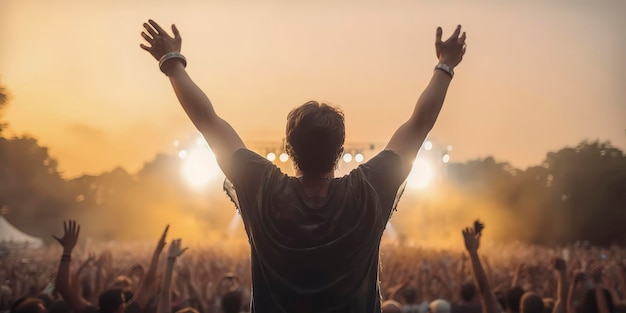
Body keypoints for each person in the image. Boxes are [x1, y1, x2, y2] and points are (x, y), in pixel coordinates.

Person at [140, 19, 467, 312]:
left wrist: (172, 64)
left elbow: (207, 121)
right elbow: (419, 123)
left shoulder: (263, 187)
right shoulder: (366, 190)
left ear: (288, 147)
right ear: (339, 151)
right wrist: (445, 65)